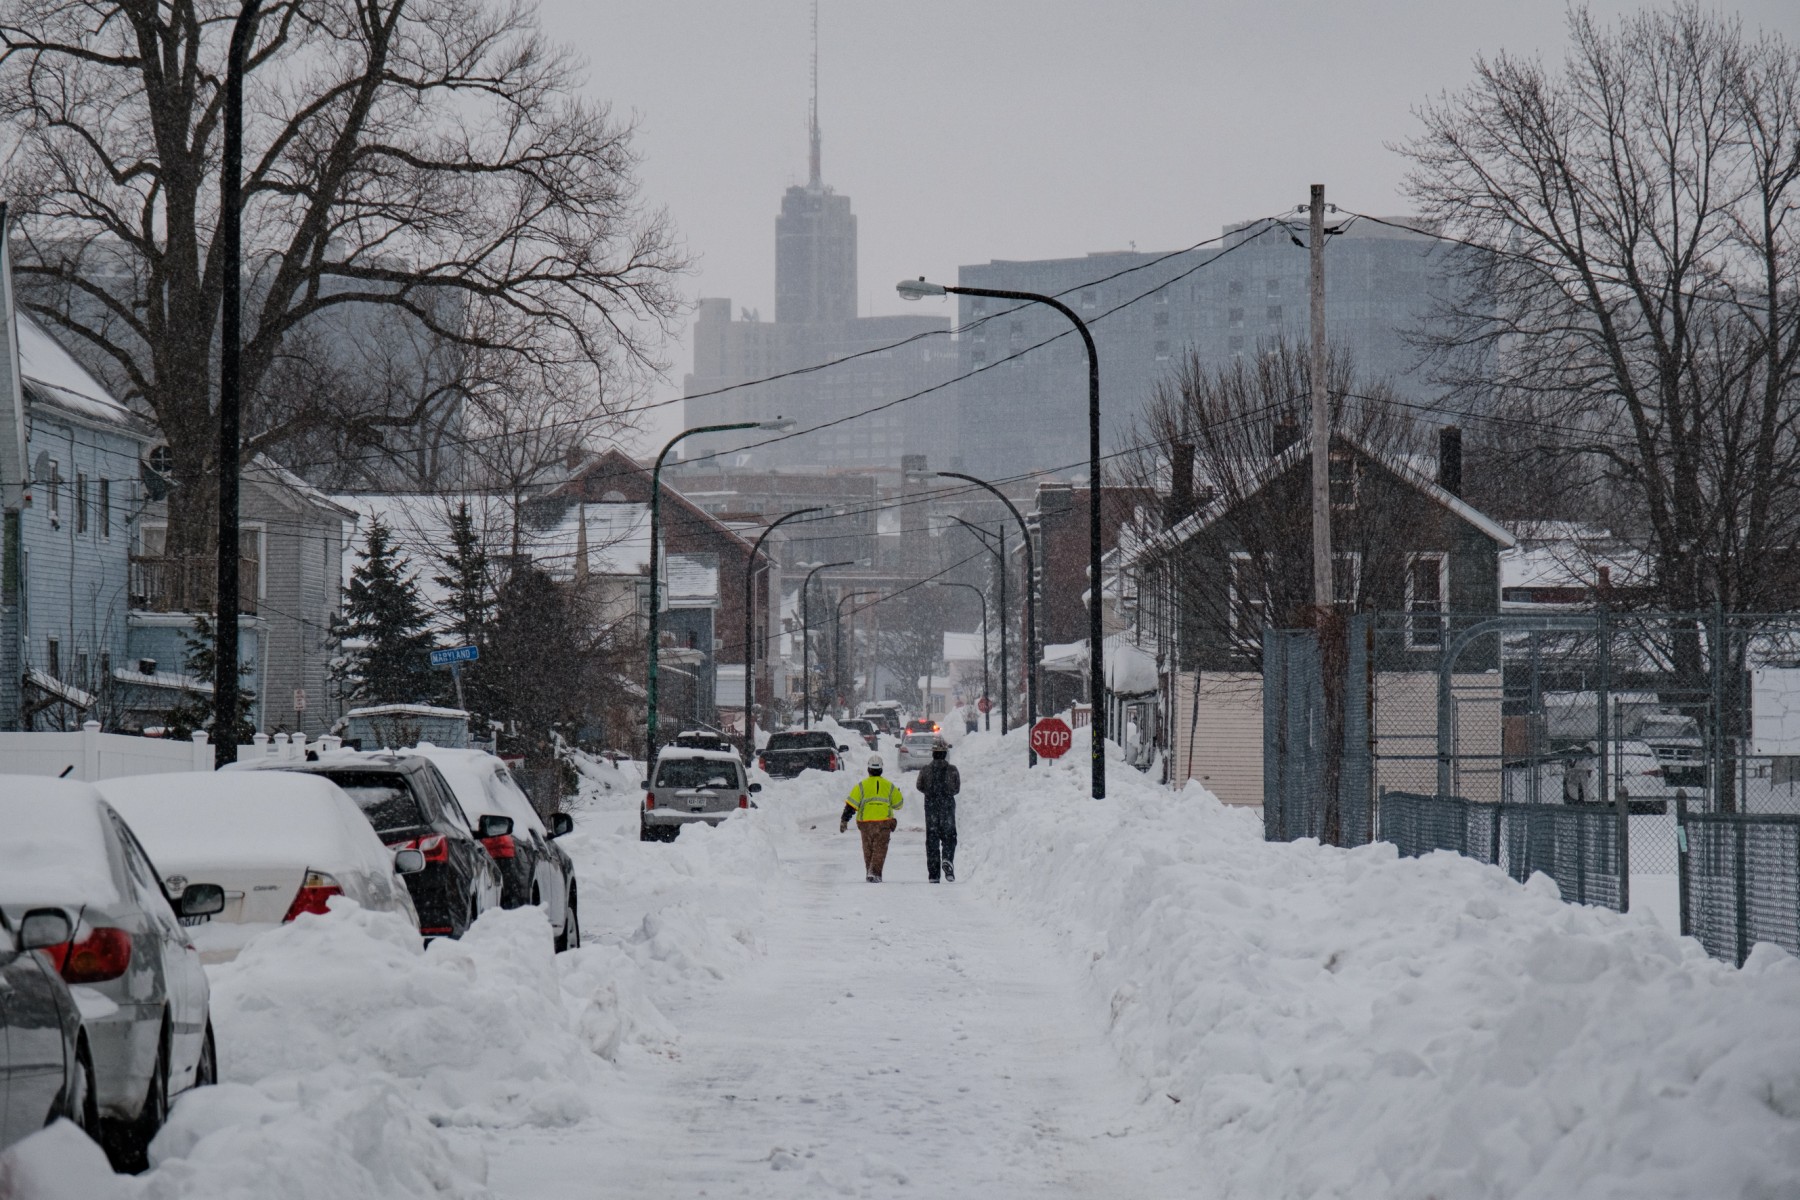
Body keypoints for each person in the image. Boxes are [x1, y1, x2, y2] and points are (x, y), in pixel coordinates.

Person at [841, 754, 904, 882]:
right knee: (879, 850)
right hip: (884, 824)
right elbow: (899, 805)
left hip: (866, 824)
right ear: (881, 769)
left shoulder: (861, 786)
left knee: (868, 850)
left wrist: (844, 820)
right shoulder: (889, 786)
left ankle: (870, 873)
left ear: (868, 769)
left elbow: (851, 805)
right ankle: (874, 873)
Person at [916, 739, 961, 883]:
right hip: (947, 806)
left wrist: (930, 793)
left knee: (932, 840)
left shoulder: (925, 770)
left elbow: (919, 786)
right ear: (945, 754)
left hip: (931, 807)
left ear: (933, 754)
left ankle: (934, 875)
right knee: (949, 836)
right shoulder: (953, 770)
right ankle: (947, 859)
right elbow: (956, 788)